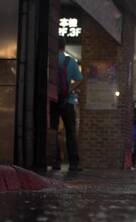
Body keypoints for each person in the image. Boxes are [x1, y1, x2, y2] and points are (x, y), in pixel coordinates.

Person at [51, 37, 83, 172]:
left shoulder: (50, 60)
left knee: (53, 131)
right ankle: (73, 163)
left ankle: (55, 161)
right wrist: (69, 89)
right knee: (70, 132)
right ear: (64, 47)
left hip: (52, 100)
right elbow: (79, 80)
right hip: (68, 101)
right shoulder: (70, 61)